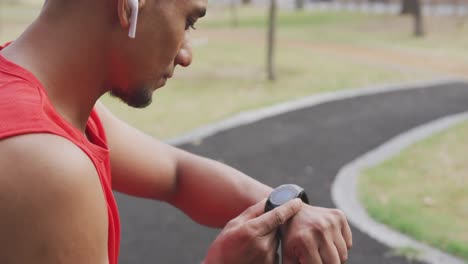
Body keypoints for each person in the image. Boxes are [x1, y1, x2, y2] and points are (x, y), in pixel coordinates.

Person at [0, 0, 352, 263]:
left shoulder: (50, 104)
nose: (186, 55)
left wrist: (289, 208)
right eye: (188, 22)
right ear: (129, 6)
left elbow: (176, 174)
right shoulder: (46, 164)